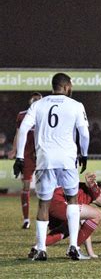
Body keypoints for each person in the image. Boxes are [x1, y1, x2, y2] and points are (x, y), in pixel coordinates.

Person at [13, 72, 90, 261]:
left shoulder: (38, 105)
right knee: (72, 200)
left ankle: (41, 249)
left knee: (43, 203)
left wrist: (20, 157)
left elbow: (23, 129)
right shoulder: (76, 105)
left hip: (45, 159)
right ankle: (73, 247)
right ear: (65, 87)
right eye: (70, 85)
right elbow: (84, 133)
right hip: (67, 159)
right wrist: (85, 153)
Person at [28, 172, 101, 259]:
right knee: (98, 214)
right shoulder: (94, 192)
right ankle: (74, 249)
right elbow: (92, 186)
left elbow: (85, 230)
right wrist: (92, 183)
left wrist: (91, 253)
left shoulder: (85, 198)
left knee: (67, 229)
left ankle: (38, 248)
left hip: (50, 204)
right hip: (58, 202)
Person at [8, 92, 43, 229]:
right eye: (34, 99)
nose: (36, 101)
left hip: (41, 154)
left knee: (48, 186)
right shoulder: (22, 115)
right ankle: (26, 219)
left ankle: (49, 216)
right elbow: (18, 133)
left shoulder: (45, 113)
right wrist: (15, 150)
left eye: (38, 99)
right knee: (26, 186)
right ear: (30, 101)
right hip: (27, 155)